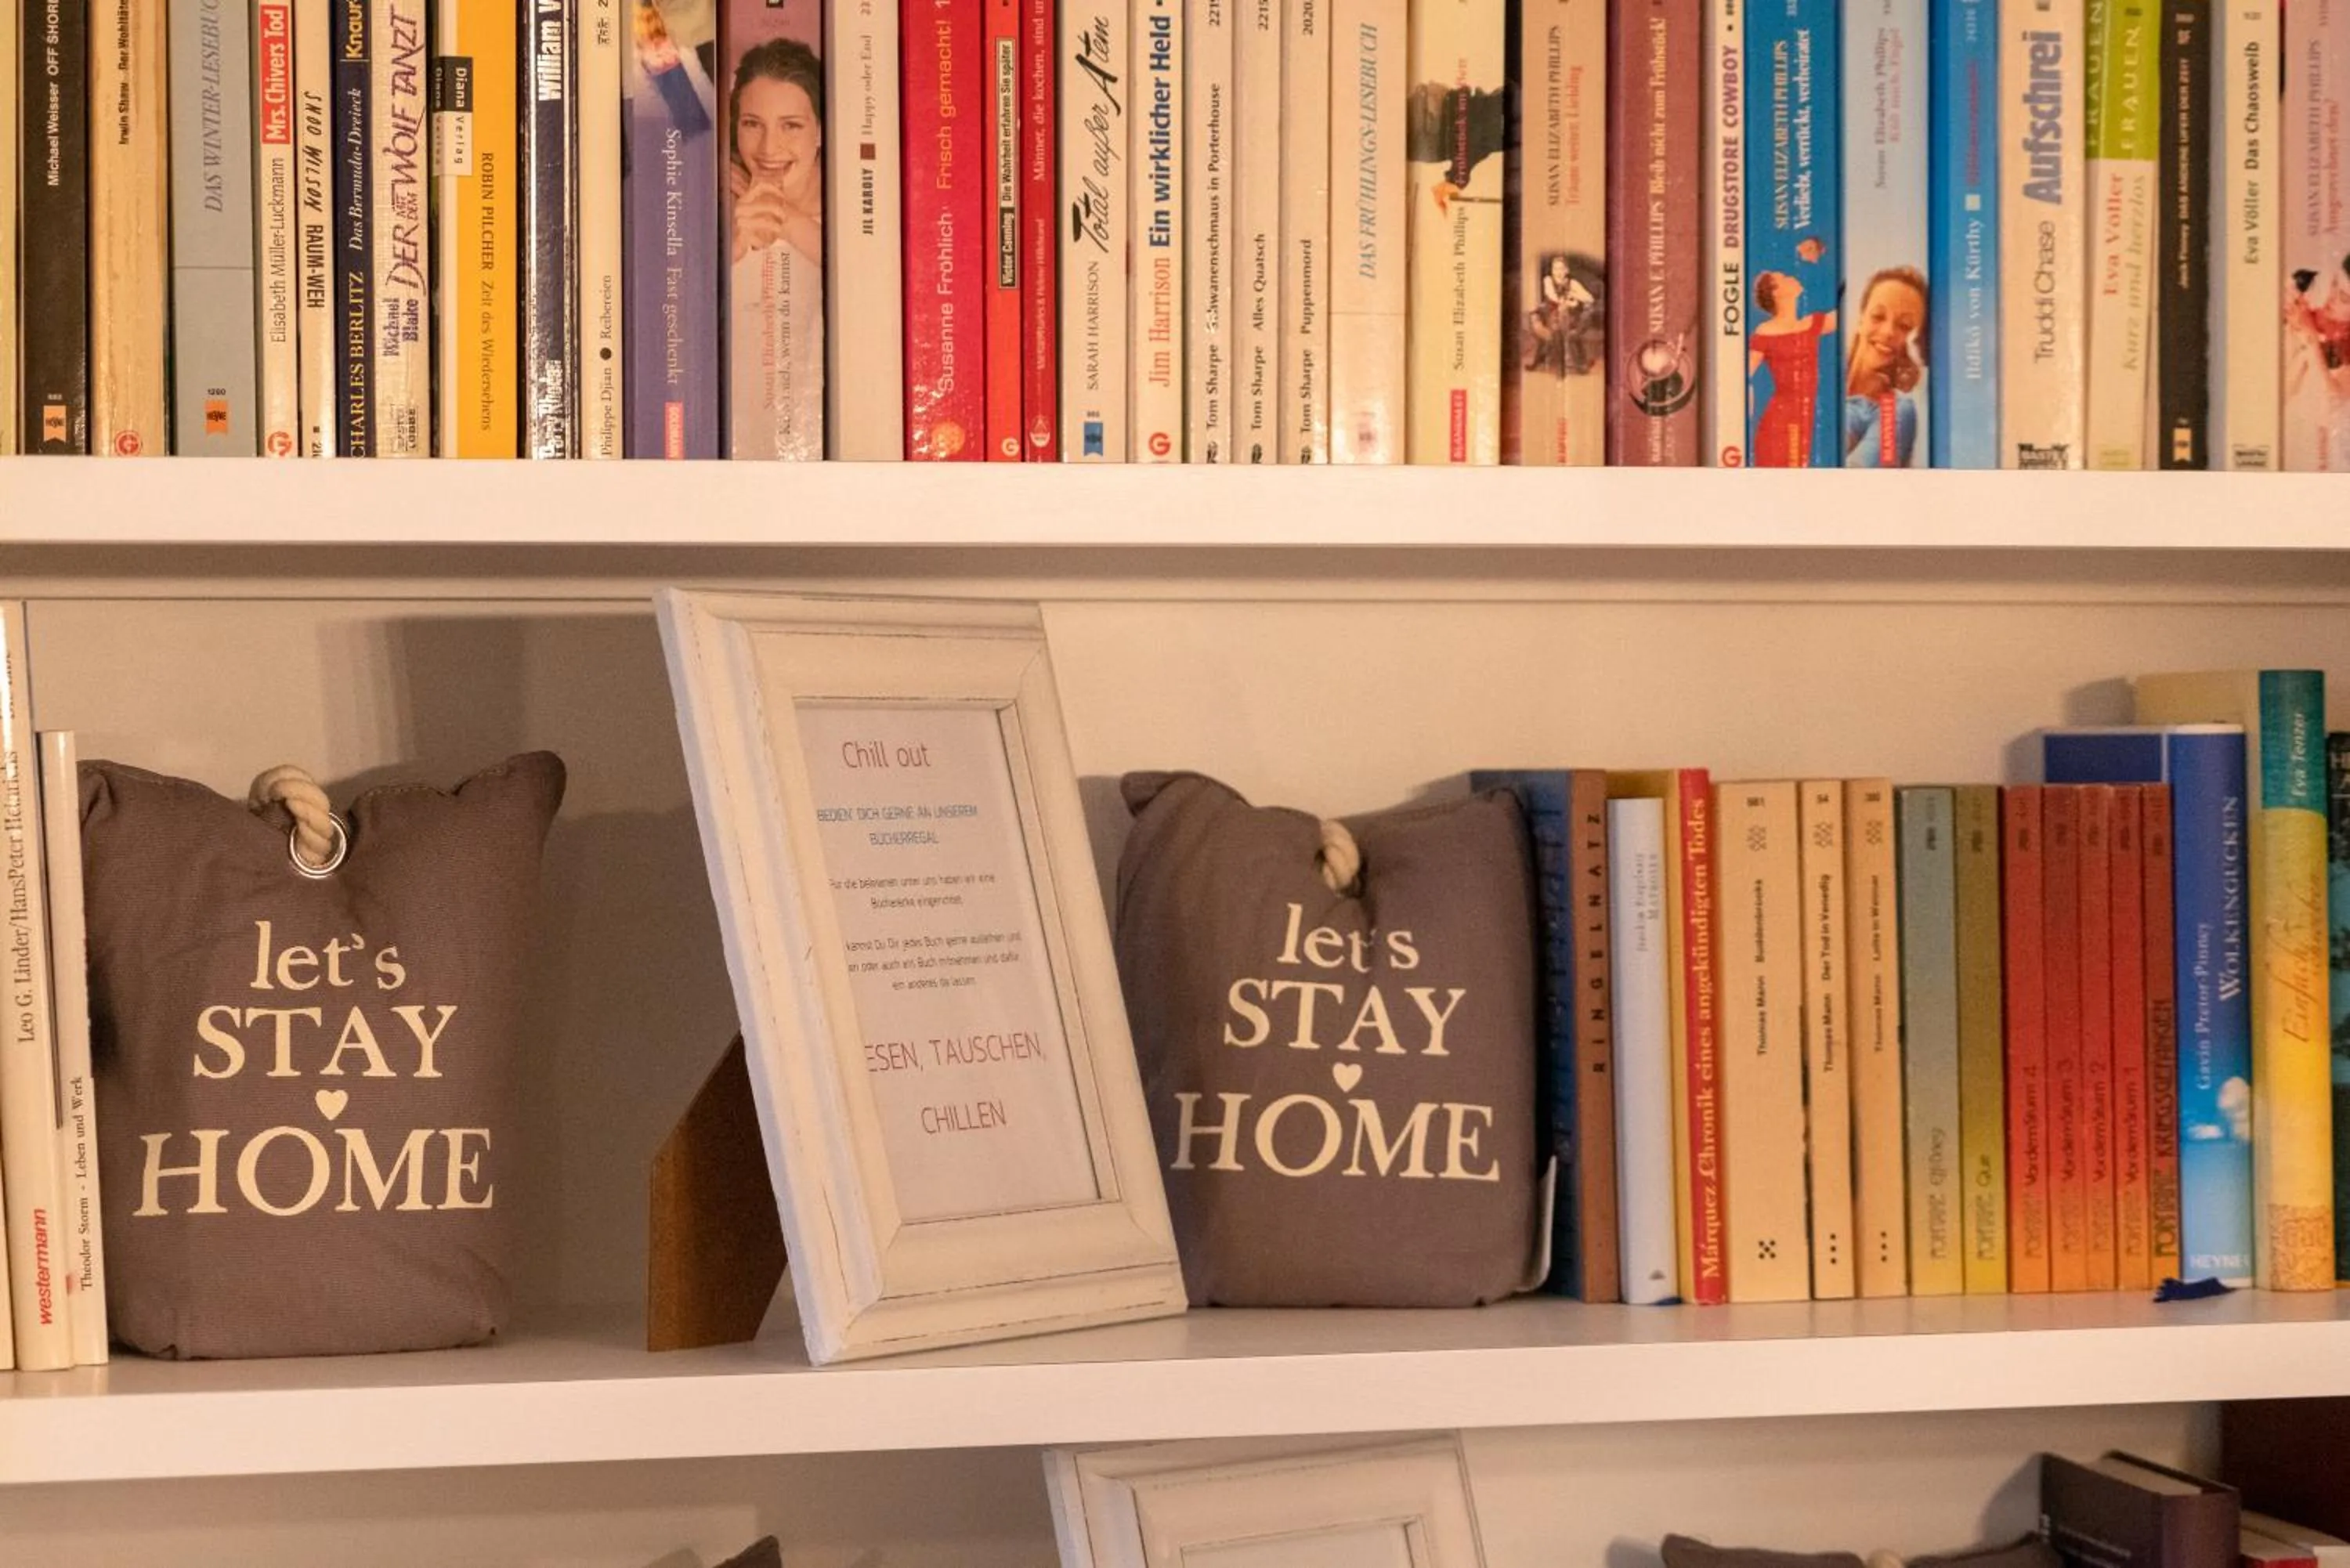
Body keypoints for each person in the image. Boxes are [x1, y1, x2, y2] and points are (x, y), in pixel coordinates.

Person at [728, 36, 825, 458]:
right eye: (752, 123)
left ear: (820, 130)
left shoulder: (858, 211)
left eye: (791, 125)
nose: (768, 149)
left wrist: (785, 217)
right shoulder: (717, 203)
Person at [1747, 270, 1836, 466]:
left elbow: (1851, 309)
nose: (1791, 277)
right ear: (1776, 293)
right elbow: (1741, 377)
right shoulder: (1765, 332)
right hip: (1779, 423)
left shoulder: (1813, 324)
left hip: (1804, 417)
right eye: (1783, 278)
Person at [1842, 266, 1928, 468]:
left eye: (1904, 326)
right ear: (1861, 317)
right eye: (1878, 316)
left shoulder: (1897, 410)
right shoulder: (1815, 374)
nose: (1888, 331)